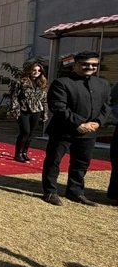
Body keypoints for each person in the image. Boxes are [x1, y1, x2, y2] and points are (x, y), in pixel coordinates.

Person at [41, 51, 111, 206]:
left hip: (89, 132)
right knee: (54, 161)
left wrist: (98, 122)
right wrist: (79, 124)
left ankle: (75, 192)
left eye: (94, 64)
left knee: (81, 164)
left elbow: (107, 106)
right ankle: (50, 192)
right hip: (63, 131)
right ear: (76, 65)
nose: (90, 67)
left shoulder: (103, 84)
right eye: (85, 64)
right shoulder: (62, 83)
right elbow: (58, 107)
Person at [8, 61, 48, 162]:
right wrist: (15, 109)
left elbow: (44, 100)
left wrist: (45, 113)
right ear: (29, 71)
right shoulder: (21, 82)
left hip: (36, 110)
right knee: (25, 131)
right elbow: (14, 96)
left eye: (39, 71)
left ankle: (24, 153)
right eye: (34, 70)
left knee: (31, 133)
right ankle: (18, 154)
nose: (36, 72)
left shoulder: (42, 83)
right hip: (23, 110)